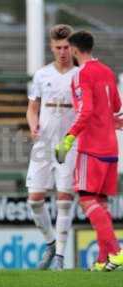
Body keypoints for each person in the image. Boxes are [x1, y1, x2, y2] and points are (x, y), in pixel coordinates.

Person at [55, 30, 123, 271]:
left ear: (74, 49)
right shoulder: (107, 71)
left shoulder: (81, 74)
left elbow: (86, 110)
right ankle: (104, 259)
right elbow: (117, 106)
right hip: (111, 147)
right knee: (100, 202)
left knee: (85, 198)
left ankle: (116, 251)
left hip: (91, 147)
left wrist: (69, 138)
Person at [26, 24, 77, 270]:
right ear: (51, 47)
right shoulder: (42, 75)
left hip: (69, 143)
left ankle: (59, 257)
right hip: (43, 142)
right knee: (35, 199)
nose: (63, 52)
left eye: (66, 47)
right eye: (58, 47)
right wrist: (33, 125)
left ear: (73, 47)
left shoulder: (79, 75)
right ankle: (50, 242)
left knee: (64, 197)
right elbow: (32, 108)